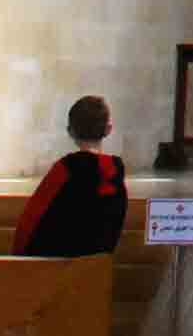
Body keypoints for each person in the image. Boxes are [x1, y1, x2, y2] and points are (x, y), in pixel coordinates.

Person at [12, 95, 130, 257]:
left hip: (55, 271)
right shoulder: (114, 172)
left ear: (70, 131)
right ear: (108, 129)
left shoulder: (64, 169)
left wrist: (18, 258)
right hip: (98, 270)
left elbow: (31, 220)